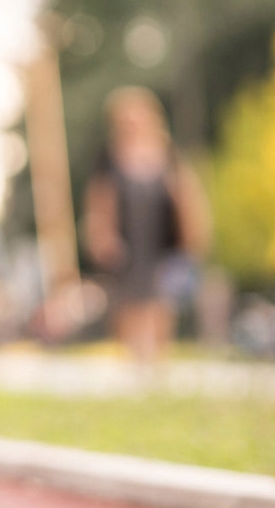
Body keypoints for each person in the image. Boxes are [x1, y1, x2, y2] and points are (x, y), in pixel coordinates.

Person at [82, 86, 210, 362]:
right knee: (127, 298)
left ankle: (156, 358)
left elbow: (187, 196)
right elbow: (99, 199)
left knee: (162, 298)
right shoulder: (109, 156)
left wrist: (193, 233)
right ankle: (133, 357)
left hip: (161, 237)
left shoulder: (168, 153)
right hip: (126, 239)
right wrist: (101, 235)